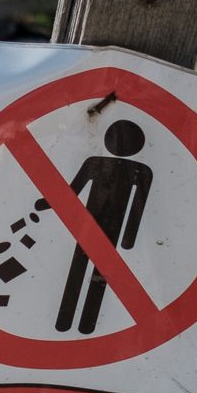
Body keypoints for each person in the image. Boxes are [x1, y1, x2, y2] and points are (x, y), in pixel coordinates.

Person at [52, 119, 152, 335]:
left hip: (96, 227)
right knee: (87, 272)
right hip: (94, 228)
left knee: (91, 273)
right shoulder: (128, 168)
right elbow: (72, 192)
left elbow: (137, 206)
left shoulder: (137, 171)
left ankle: (77, 324)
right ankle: (69, 323)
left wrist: (129, 238)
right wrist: (128, 238)